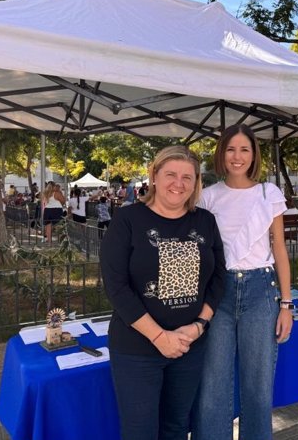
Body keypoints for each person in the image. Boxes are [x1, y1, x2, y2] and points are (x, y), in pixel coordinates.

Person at [101, 146, 226, 440]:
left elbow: (219, 278)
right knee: (140, 432)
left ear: (196, 183)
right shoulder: (128, 219)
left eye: (188, 177)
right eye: (170, 174)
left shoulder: (205, 221)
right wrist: (159, 337)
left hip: (189, 347)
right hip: (137, 349)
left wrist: (199, 326)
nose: (179, 183)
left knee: (177, 427)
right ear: (154, 176)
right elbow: (116, 287)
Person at [193, 124, 293, 440]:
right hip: (218, 294)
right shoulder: (207, 197)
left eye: (244, 149)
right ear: (221, 153)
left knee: (258, 385)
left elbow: (279, 249)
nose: (237, 156)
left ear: (254, 155)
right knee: (213, 385)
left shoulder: (269, 193)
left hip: (261, 292)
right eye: (231, 149)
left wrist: (287, 304)